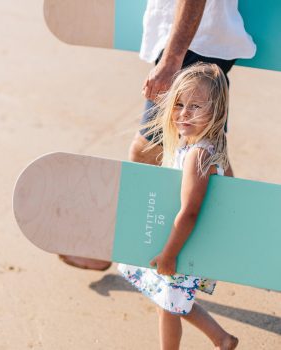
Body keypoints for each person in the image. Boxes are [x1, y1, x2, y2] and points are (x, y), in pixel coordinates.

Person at [59, 0, 256, 271]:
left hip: (192, 44)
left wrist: (172, 57)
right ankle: (241, 241)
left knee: (151, 152)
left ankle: (115, 249)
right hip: (197, 40)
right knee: (208, 153)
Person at [118, 62, 238, 350]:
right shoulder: (193, 143)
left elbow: (190, 211)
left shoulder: (198, 154)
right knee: (170, 301)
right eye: (180, 103)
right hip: (182, 239)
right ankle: (222, 339)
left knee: (168, 304)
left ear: (217, 111)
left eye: (196, 106)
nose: (184, 113)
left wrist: (169, 254)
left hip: (184, 242)